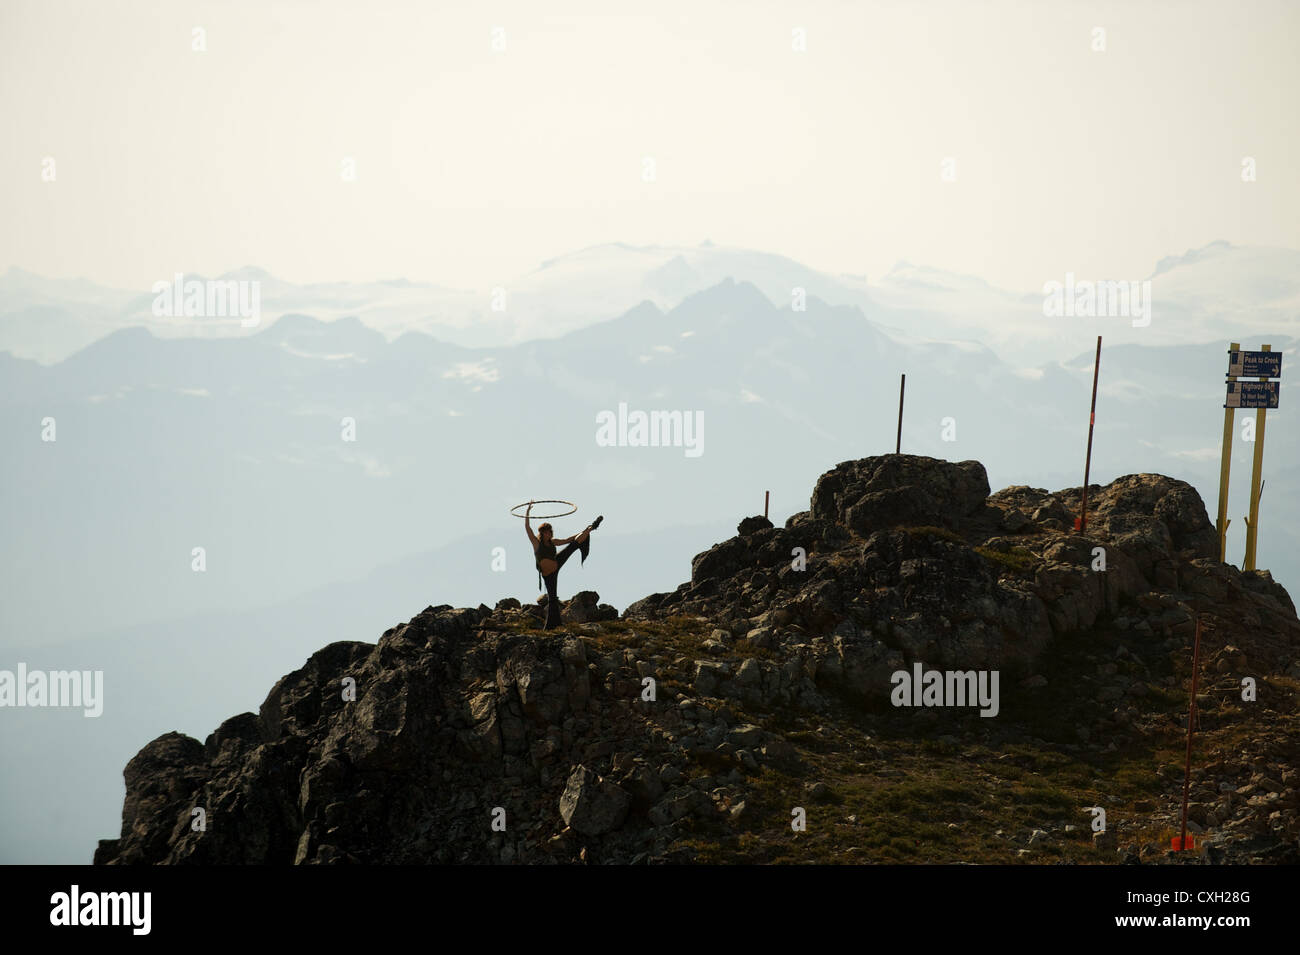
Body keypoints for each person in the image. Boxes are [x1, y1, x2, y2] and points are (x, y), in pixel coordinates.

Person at [524, 502, 602, 630]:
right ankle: (552, 625)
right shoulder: (536, 544)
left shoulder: (553, 542)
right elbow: (528, 529)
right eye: (548, 532)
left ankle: (591, 528)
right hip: (548, 574)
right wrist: (528, 512)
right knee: (552, 598)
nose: (550, 533)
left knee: (573, 545)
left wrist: (583, 531)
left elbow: (568, 540)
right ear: (543, 533)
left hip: (556, 564)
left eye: (551, 531)